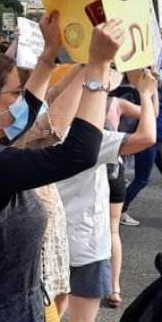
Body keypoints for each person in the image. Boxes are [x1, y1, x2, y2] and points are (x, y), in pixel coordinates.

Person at [0, 15, 124, 321]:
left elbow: (28, 112)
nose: (21, 100)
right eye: (14, 94)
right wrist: (97, 69)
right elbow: (79, 154)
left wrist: (48, 54)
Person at [58, 70, 157, 322]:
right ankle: (114, 288)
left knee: (50, 310)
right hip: (86, 241)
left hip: (51, 237)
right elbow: (147, 136)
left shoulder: (43, 131)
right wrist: (146, 93)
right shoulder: (92, 140)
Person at [122, 86, 162, 225]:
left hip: (157, 139)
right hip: (148, 139)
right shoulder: (147, 88)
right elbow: (153, 113)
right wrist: (154, 90)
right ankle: (120, 210)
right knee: (142, 179)